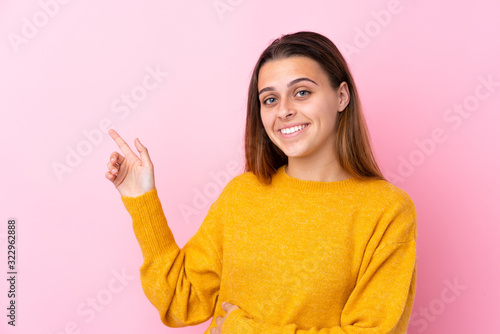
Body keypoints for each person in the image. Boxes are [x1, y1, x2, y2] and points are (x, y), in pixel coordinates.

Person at [105, 31, 417, 334]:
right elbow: (180, 301)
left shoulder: (386, 210)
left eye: (302, 92)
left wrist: (243, 330)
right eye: (269, 99)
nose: (284, 111)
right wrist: (141, 201)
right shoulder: (242, 195)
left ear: (341, 96)